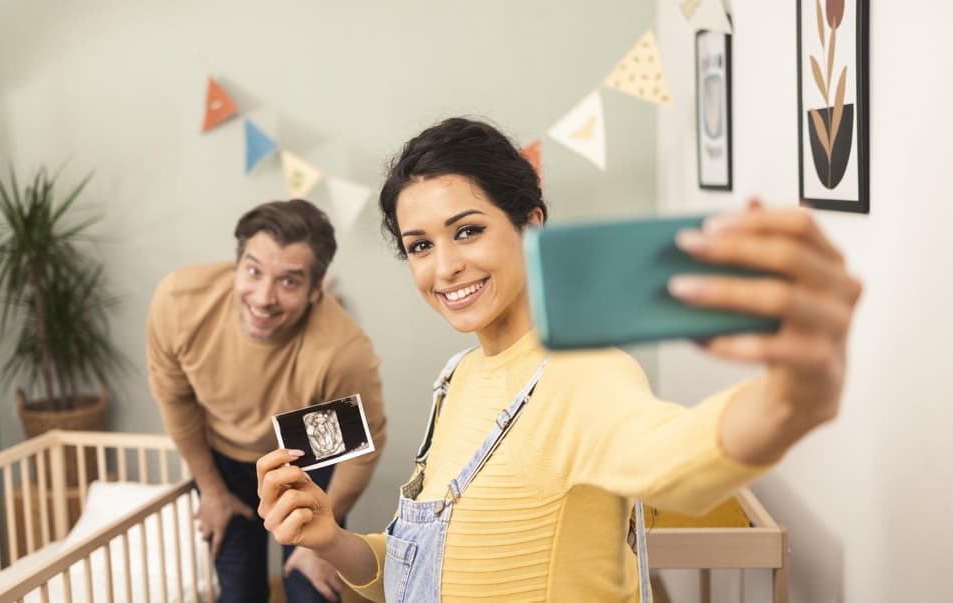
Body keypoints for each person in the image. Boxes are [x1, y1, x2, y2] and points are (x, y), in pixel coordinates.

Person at [255, 118, 862, 602]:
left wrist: (796, 395)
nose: (445, 269)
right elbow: (417, 573)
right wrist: (330, 539)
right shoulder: (456, 378)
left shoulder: (585, 372)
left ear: (530, 225)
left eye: (467, 231)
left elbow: (679, 461)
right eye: (420, 246)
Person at [147, 199, 387, 602]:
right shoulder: (179, 303)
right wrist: (211, 490)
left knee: (311, 588)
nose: (263, 297)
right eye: (253, 271)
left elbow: (362, 450)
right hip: (225, 463)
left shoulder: (342, 351)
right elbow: (175, 400)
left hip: (305, 462)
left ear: (316, 290)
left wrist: (324, 544)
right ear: (237, 264)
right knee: (239, 592)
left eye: (289, 282)